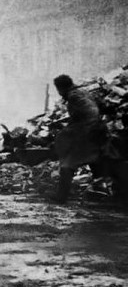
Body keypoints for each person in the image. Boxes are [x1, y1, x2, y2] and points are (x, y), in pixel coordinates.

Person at [50, 74, 107, 203]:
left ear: (61, 88)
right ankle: (102, 192)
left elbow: (80, 117)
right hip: (98, 131)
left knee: (67, 164)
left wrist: (64, 133)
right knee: (95, 161)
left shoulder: (73, 97)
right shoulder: (82, 92)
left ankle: (61, 197)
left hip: (87, 133)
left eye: (58, 89)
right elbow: (97, 109)